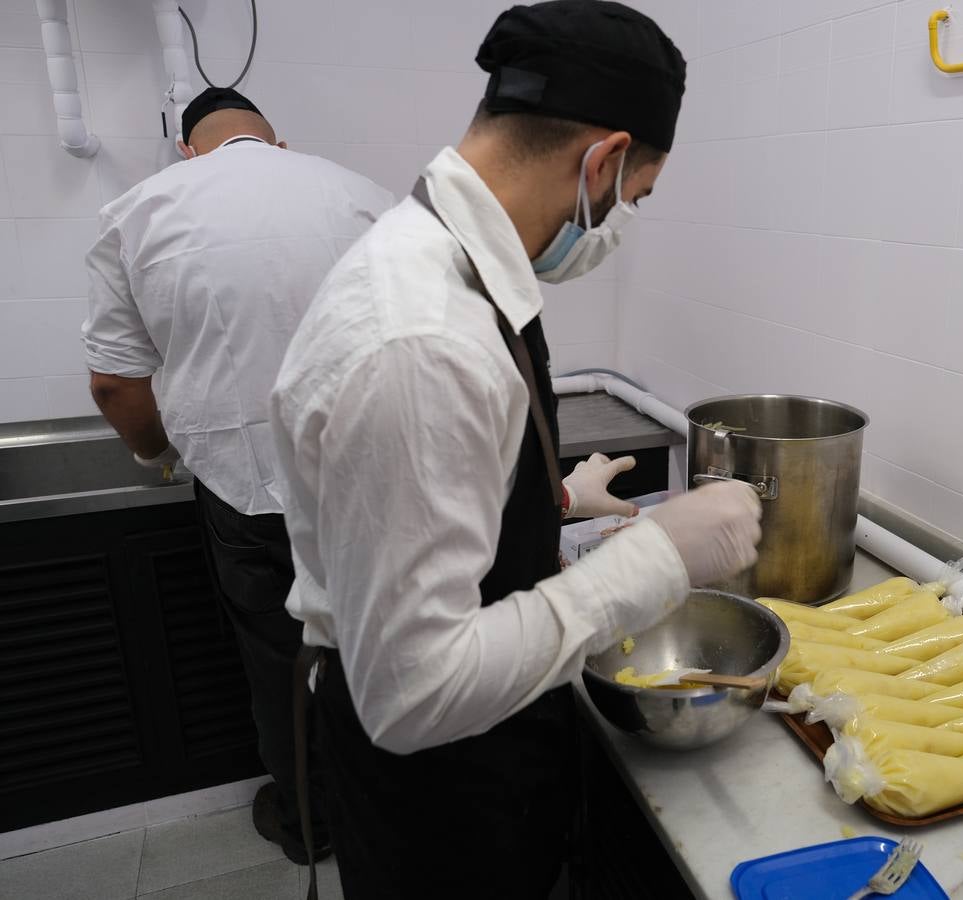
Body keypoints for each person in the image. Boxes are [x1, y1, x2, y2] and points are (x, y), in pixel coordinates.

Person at [269, 1, 763, 896]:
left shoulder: (444, 260)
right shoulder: (420, 342)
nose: (614, 228)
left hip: (483, 750)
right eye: (630, 199)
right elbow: (416, 692)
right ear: (604, 159)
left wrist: (553, 498)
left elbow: (414, 507)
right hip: (436, 787)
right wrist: (658, 554)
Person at [82, 87, 392, 865]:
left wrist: (159, 453)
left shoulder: (138, 211)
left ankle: (310, 824)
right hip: (372, 485)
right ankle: (393, 815)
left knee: (281, 662)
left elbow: (115, 386)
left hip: (244, 490)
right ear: (277, 143)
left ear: (188, 150)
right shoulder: (365, 196)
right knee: (383, 648)